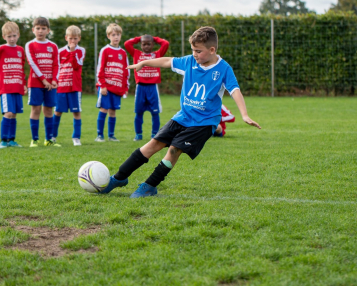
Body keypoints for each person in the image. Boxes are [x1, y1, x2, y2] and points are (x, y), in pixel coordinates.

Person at [100, 26, 261, 198]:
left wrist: (244, 114)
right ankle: (119, 178)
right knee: (152, 144)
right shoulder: (190, 62)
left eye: (198, 51)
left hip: (204, 122)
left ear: (212, 50)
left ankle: (149, 186)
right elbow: (167, 61)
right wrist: (144, 63)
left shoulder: (224, 69)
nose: (194, 54)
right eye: (192, 50)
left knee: (174, 149)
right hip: (183, 116)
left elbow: (235, 90)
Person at [0, 21, 27, 148]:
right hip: (6, 86)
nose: (12, 39)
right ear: (4, 37)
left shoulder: (20, 50)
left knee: (14, 114)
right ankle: (3, 141)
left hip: (17, 86)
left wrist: (23, 83)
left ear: (18, 35)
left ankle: (11, 140)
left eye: (14, 36)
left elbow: (21, 68)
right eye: (9, 36)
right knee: (8, 113)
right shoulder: (2, 48)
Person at [124, 35, 169, 141]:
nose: (146, 46)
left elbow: (165, 43)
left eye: (149, 44)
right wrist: (140, 38)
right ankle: (138, 134)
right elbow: (127, 44)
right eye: (144, 44)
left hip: (153, 88)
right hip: (140, 88)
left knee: (155, 112)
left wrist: (153, 38)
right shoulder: (136, 54)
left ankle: (155, 134)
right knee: (138, 112)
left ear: (153, 44)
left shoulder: (157, 55)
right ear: (141, 44)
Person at [25, 17, 60, 147]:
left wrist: (54, 80)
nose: (40, 31)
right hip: (35, 83)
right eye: (38, 28)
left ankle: (49, 140)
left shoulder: (53, 46)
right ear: (33, 30)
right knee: (36, 109)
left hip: (51, 84)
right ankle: (34, 139)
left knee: (49, 110)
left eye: (43, 28)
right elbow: (32, 63)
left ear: (48, 30)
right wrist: (44, 80)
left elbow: (57, 65)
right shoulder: (30, 45)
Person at [95, 23, 129, 142]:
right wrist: (102, 85)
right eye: (113, 35)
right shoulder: (105, 50)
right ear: (108, 36)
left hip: (117, 88)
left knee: (113, 111)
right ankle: (99, 135)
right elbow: (100, 69)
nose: (116, 37)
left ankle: (111, 135)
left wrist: (125, 88)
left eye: (118, 34)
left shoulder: (123, 53)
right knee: (104, 109)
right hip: (106, 87)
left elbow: (126, 71)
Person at [52, 25, 86, 146]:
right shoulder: (60, 51)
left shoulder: (81, 51)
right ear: (66, 37)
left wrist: (72, 52)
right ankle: (52, 136)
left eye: (75, 38)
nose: (73, 41)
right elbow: (56, 67)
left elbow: (77, 65)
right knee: (57, 111)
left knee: (76, 112)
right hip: (61, 87)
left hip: (75, 87)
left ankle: (76, 137)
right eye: (71, 38)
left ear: (79, 38)